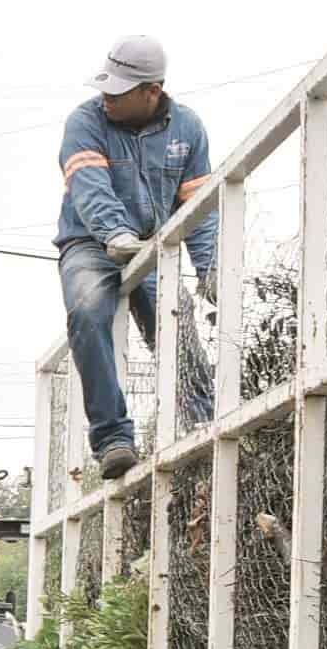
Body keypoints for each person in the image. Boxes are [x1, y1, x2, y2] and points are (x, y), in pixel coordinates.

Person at [55, 34, 218, 482]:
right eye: (104, 87)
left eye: (118, 91)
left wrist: (211, 269)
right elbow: (89, 188)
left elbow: (197, 207)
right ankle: (113, 439)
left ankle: (202, 421)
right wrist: (115, 234)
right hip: (90, 243)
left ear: (152, 91)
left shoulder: (187, 129)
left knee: (177, 317)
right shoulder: (84, 123)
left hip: (149, 245)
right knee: (87, 311)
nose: (106, 98)